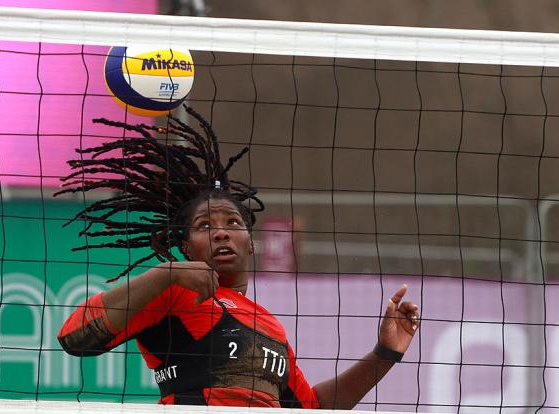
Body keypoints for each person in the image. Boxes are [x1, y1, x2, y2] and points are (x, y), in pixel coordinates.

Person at [56, 106, 420, 409]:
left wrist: (384, 353)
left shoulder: (270, 326)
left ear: (250, 243)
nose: (220, 231)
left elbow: (310, 408)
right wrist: (166, 274)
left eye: (232, 222)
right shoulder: (173, 292)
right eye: (204, 225)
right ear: (186, 248)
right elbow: (74, 337)